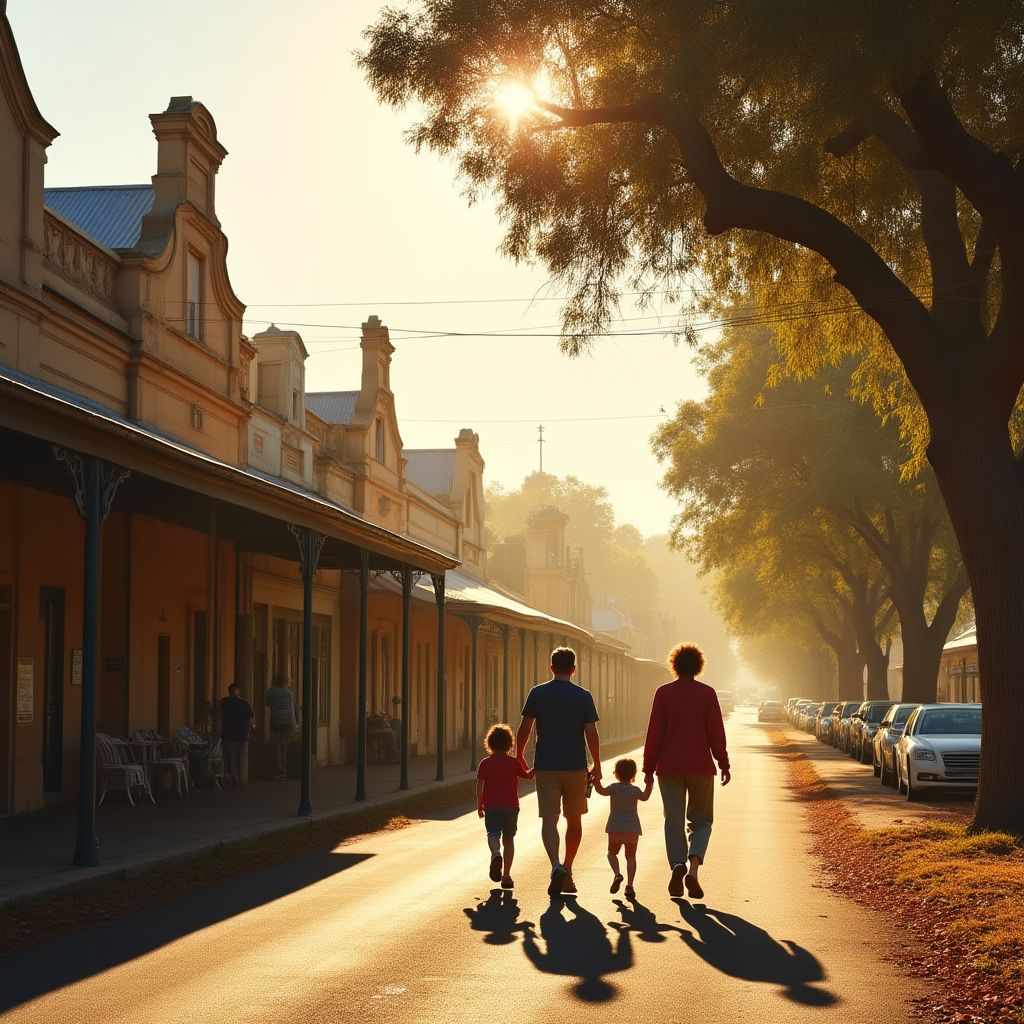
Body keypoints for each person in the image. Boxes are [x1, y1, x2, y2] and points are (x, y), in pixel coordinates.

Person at [643, 643, 731, 900]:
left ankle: (677, 865)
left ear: (674, 665)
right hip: (700, 767)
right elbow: (716, 733)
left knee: (673, 819)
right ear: (699, 666)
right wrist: (723, 763)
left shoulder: (663, 693)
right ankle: (693, 869)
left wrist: (648, 769)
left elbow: (654, 734)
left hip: (669, 768)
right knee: (702, 820)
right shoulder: (707, 694)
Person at [516, 646, 602, 898]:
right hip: (575, 765)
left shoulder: (538, 693)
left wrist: (519, 754)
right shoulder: (583, 696)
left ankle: (555, 865)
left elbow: (525, 726)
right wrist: (596, 764)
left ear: (551, 667)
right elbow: (592, 734)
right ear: (574, 669)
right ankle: (568, 868)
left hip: (546, 765)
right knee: (574, 820)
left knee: (549, 820)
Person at [476, 723, 535, 890]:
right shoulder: (513, 763)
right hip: (511, 806)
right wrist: (537, 765)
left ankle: (495, 854)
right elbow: (528, 776)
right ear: (510, 744)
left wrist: (479, 806)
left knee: (493, 833)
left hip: (492, 806)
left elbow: (479, 786)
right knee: (509, 840)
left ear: (490, 743)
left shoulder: (485, 763)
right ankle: (507, 876)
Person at [592, 757, 654, 898]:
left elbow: (601, 791)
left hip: (615, 826)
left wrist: (595, 781)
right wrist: (649, 784)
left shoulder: (614, 788)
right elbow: (645, 797)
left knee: (612, 853)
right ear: (634, 774)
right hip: (632, 828)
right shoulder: (635, 790)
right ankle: (630, 886)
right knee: (631, 857)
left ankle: (617, 874)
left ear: (616, 773)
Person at [217, 683, 255, 785]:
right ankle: (236, 779)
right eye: (232, 690)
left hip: (234, 735)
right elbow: (251, 718)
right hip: (236, 735)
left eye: (235, 690)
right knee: (236, 758)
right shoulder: (243, 703)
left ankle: (235, 779)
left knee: (233, 758)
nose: (233, 692)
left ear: (238, 691)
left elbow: (251, 718)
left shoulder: (224, 702)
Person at [265, 674, 298, 780]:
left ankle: (278, 769)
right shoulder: (289, 692)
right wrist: (297, 722)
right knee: (285, 747)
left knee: (276, 746)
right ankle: (284, 769)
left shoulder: (271, 691)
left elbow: (267, 704)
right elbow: (295, 707)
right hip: (288, 723)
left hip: (275, 722)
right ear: (286, 682)